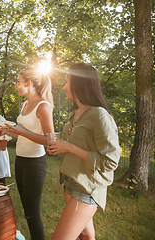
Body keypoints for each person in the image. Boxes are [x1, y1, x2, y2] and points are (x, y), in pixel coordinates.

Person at [47, 63, 121, 240]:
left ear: (79, 83)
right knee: (86, 236)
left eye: (66, 82)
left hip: (87, 188)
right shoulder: (75, 113)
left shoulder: (99, 116)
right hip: (70, 183)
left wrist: (69, 147)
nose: (63, 87)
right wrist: (63, 146)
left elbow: (110, 162)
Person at [0, 67, 54, 240]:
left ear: (29, 83)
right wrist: (6, 132)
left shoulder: (43, 106)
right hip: (20, 161)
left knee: (33, 213)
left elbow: (49, 141)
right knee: (27, 212)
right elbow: (22, 134)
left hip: (35, 164)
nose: (16, 86)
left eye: (19, 82)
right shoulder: (25, 105)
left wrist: (20, 131)